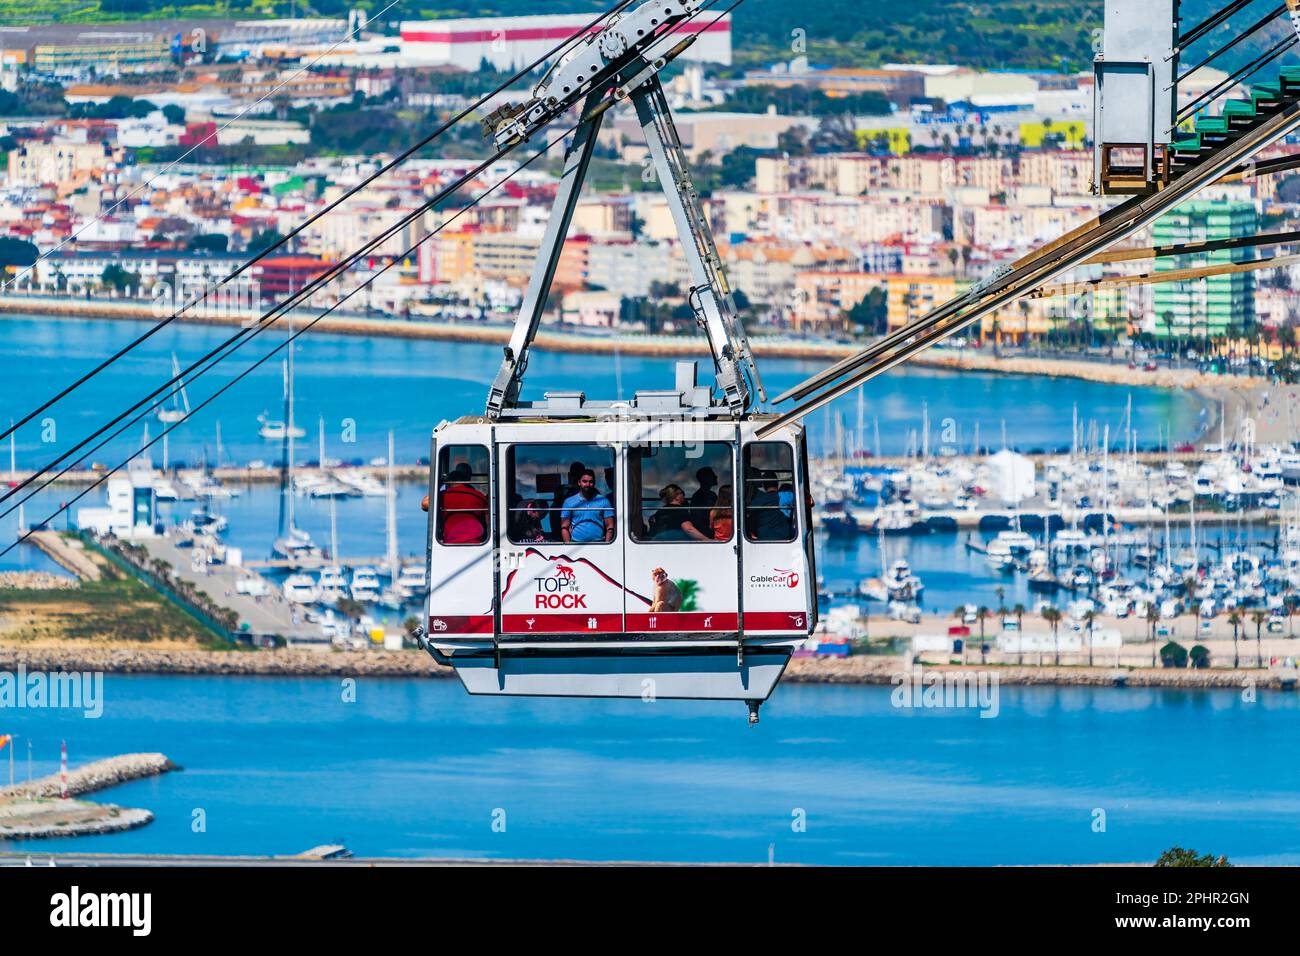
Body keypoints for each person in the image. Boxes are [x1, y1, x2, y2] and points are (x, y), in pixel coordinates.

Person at [438, 462, 489, 544]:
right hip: (477, 542)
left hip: (450, 542)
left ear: (450, 482)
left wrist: (438, 490)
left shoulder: (443, 496)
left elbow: (424, 504)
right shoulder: (479, 495)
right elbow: (488, 521)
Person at [561, 468, 614, 543]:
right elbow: (564, 528)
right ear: (579, 482)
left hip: (599, 544)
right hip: (576, 544)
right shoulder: (569, 502)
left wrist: (606, 544)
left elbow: (610, 527)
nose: (588, 484)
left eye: (591, 482)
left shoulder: (604, 501)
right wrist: (568, 544)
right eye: (584, 481)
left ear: (594, 483)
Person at [746, 470, 791, 541]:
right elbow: (809, 501)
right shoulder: (785, 496)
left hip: (762, 538)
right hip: (785, 537)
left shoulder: (756, 501)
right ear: (777, 483)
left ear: (763, 486)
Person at [689, 466, 718, 532]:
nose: (716, 477)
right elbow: (698, 517)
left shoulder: (712, 494)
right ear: (706, 478)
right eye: (712, 475)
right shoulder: (698, 496)